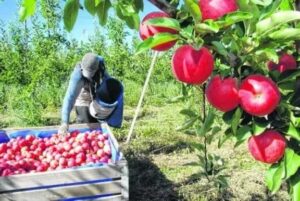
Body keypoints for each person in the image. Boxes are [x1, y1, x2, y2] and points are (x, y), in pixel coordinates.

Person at [58, 53, 123, 136]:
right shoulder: (77, 77)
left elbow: (107, 79)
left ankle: (97, 141)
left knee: (97, 127)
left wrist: (108, 90)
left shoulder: (100, 63)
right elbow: (69, 98)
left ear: (96, 68)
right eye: (87, 73)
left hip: (95, 94)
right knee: (85, 126)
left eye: (91, 73)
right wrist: (64, 123)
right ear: (82, 67)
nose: (89, 76)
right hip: (83, 97)